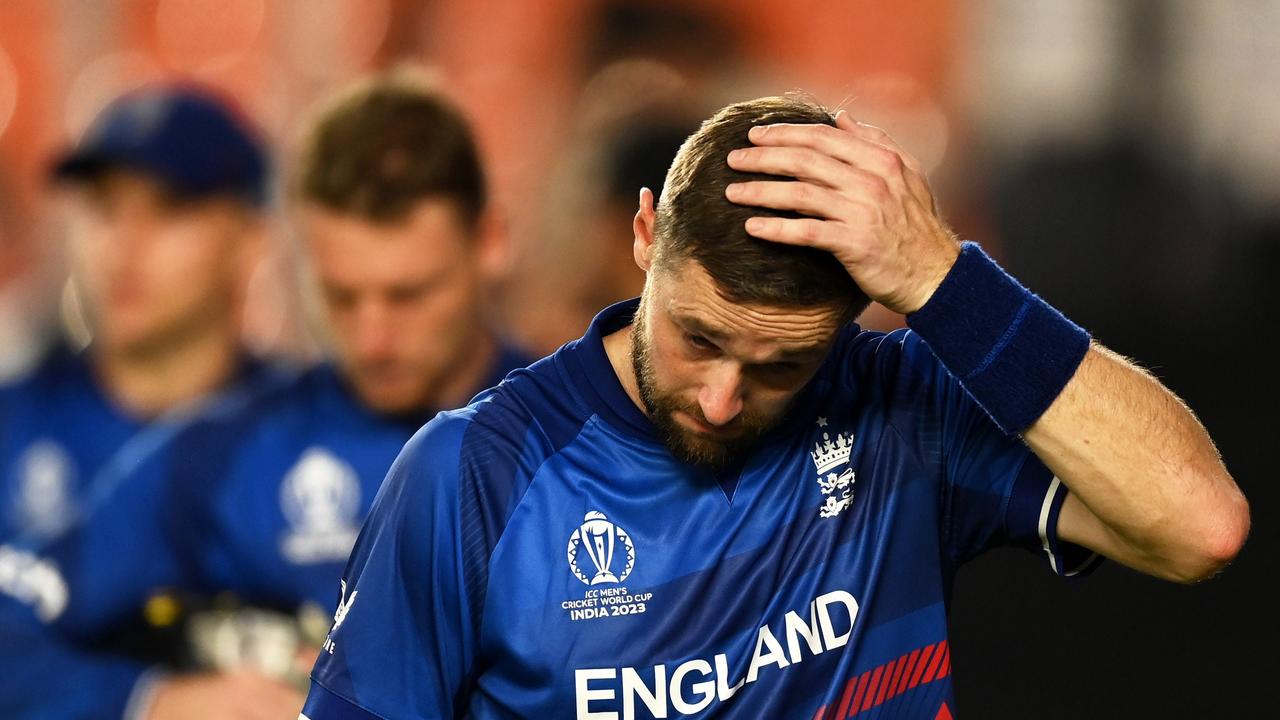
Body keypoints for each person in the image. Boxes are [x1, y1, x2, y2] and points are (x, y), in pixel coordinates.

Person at [298, 96, 1249, 719]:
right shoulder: (475, 475)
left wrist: (944, 280)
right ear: (643, 237)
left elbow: (1198, 524)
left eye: (782, 365)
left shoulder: (901, 412)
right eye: (700, 337)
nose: (720, 399)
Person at [0, 73, 533, 719]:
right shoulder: (224, 455)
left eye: (409, 295)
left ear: (491, 243)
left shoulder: (594, 440)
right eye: (339, 296)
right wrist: (152, 700)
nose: (373, 338)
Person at [0, 85, 280, 544]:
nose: (124, 245)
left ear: (249, 241)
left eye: (169, 208)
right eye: (104, 208)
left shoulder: (308, 433)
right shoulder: (11, 425)